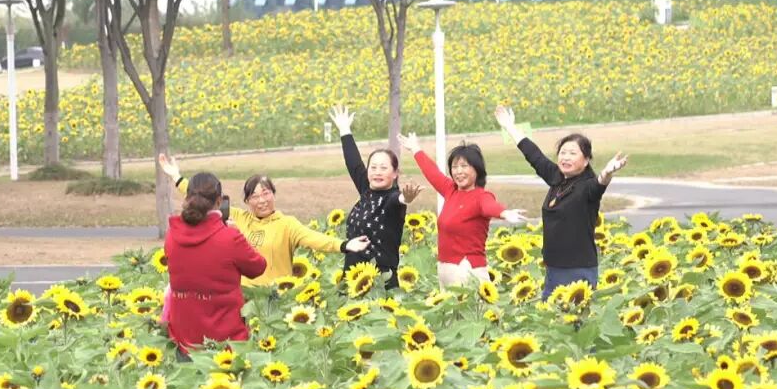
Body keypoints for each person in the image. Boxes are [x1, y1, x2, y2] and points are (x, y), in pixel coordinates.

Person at [158, 155, 370, 286]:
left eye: (266, 193)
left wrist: (344, 245)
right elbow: (204, 198)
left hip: (277, 295)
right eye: (255, 196)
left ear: (273, 194)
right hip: (244, 296)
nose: (261, 201)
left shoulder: (287, 224)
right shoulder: (238, 217)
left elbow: (314, 239)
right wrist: (176, 177)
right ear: (247, 201)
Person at [494, 105, 628, 299]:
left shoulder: (587, 187)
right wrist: (509, 126)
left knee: (573, 316)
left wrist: (607, 173)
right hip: (553, 268)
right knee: (549, 314)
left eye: (572, 153)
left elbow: (599, 184)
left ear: (586, 160)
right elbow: (533, 154)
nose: (566, 157)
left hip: (578, 270)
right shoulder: (557, 177)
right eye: (563, 152)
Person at [398, 132, 525, 288]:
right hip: (445, 269)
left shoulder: (481, 196)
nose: (458, 171)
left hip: (467, 269)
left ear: (477, 169)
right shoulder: (451, 190)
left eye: (464, 166)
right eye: (454, 167)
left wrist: (504, 213)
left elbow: (489, 206)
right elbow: (432, 172)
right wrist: (415, 149)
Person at [164, 172, 267, 355]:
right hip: (226, 344)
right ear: (219, 201)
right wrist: (237, 233)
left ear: (188, 199)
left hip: (184, 341)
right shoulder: (229, 238)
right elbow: (258, 267)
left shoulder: (172, 235)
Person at [329, 106, 424, 289]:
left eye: (383, 168)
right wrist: (344, 130)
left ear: (395, 173)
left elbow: (399, 201)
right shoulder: (366, 189)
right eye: (373, 167)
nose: (377, 172)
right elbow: (353, 162)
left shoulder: (392, 199)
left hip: (381, 285)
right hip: (352, 279)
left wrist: (406, 199)